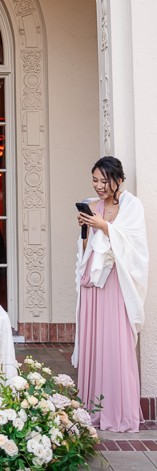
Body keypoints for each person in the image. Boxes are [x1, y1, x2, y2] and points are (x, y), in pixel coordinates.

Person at [72, 156, 149, 432]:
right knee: (95, 340)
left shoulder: (131, 205)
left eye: (104, 181)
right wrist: (85, 228)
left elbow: (135, 245)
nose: (99, 186)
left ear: (118, 180)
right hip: (94, 282)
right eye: (95, 180)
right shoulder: (91, 204)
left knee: (116, 342)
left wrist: (103, 225)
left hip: (117, 281)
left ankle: (119, 412)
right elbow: (86, 247)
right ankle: (92, 409)